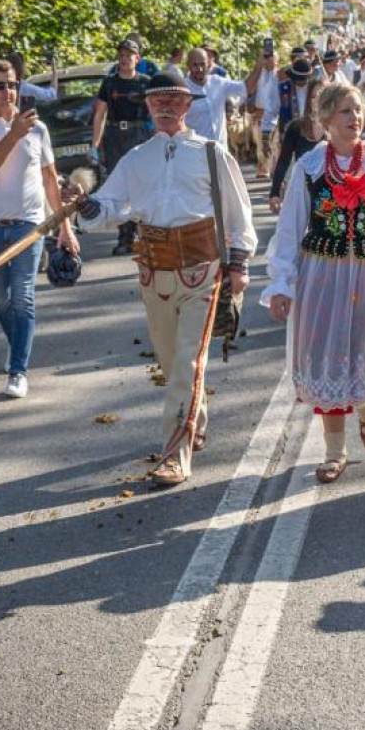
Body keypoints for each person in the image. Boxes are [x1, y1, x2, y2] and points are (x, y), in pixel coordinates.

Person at [71, 73, 255, 486]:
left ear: (188, 106)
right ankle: (194, 419)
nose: (166, 107)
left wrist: (239, 264)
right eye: (158, 101)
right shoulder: (136, 158)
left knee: (188, 362)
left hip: (203, 271)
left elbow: (239, 212)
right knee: (173, 365)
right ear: (148, 107)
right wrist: (83, 205)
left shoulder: (212, 153)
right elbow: (108, 209)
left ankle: (175, 453)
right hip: (155, 273)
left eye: (174, 100)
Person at [263, 84, 365, 483]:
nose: (355, 118)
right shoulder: (310, 167)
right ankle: (335, 451)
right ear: (325, 120)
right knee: (328, 353)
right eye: (345, 111)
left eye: (358, 110)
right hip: (324, 274)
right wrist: (281, 283)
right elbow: (289, 229)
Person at [0, 59, 79, 399]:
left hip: (29, 224)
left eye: (12, 85)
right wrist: (13, 135)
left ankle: (18, 371)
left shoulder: (38, 129)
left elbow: (49, 180)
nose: (8, 92)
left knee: (23, 296)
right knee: (0, 298)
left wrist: (65, 227)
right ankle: (17, 347)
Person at [91, 39, 152, 255]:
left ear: (138, 58)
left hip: (139, 135)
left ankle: (145, 236)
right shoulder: (110, 83)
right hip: (115, 136)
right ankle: (125, 237)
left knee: (142, 185)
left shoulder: (146, 83)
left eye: (129, 55)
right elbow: (100, 113)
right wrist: (95, 145)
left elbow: (155, 110)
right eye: (122, 55)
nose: (125, 59)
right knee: (120, 187)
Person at [179, 47, 250, 144]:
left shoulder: (218, 82)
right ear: (188, 65)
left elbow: (245, 88)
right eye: (195, 65)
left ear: (208, 63)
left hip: (220, 148)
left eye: (202, 64)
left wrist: (260, 65)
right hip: (195, 149)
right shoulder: (182, 89)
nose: (199, 69)